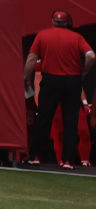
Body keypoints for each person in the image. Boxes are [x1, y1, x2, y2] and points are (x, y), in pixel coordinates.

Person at [24, 9, 95, 168]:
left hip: (51, 81)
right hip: (72, 81)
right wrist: (83, 72)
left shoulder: (42, 35)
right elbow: (91, 56)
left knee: (43, 119)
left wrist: (26, 77)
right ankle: (68, 160)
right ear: (67, 22)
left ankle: (35, 157)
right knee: (71, 121)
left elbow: (31, 58)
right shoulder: (77, 37)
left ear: (52, 21)